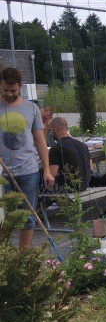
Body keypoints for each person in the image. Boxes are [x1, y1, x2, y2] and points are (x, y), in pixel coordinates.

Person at [0, 67, 55, 249]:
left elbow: (40, 140)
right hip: (2, 174)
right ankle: (4, 256)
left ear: (21, 86)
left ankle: (23, 258)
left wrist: (46, 170)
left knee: (28, 218)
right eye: (5, 90)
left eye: (13, 90)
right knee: (4, 218)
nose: (9, 94)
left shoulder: (31, 108)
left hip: (28, 171)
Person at [47, 116, 93, 191]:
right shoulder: (83, 145)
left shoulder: (56, 148)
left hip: (68, 189)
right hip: (84, 186)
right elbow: (91, 168)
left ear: (56, 129)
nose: (50, 134)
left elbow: (52, 174)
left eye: (50, 130)